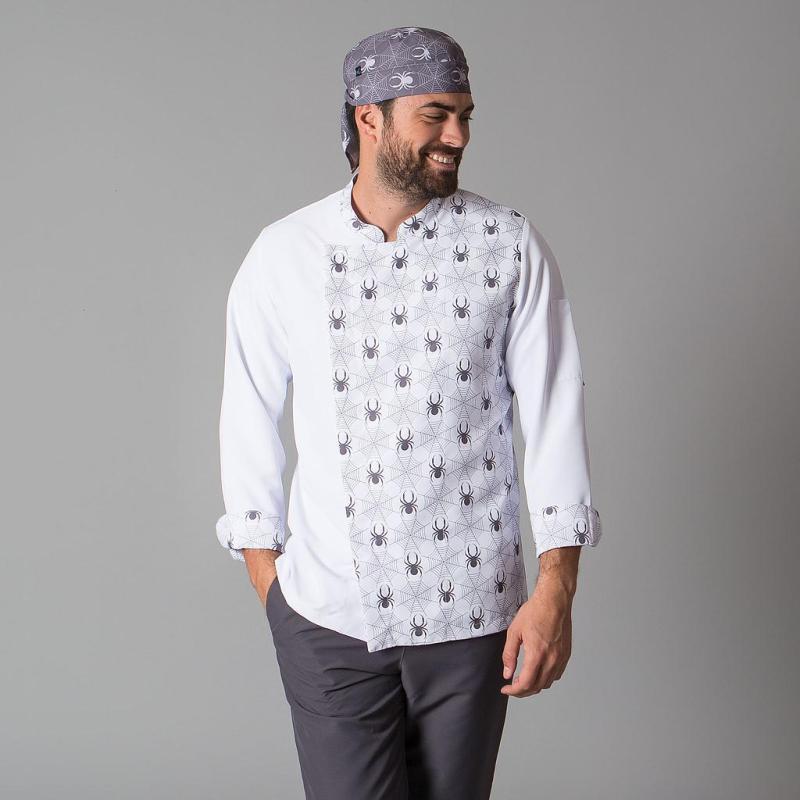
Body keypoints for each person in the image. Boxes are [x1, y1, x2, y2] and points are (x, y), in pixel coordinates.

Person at [215, 26, 603, 800]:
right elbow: (248, 414)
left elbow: (555, 413)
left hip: (474, 618)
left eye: (465, 114)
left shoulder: (508, 246)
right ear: (370, 117)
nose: (457, 135)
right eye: (435, 115)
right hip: (328, 619)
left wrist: (556, 589)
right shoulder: (285, 254)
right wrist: (273, 585)